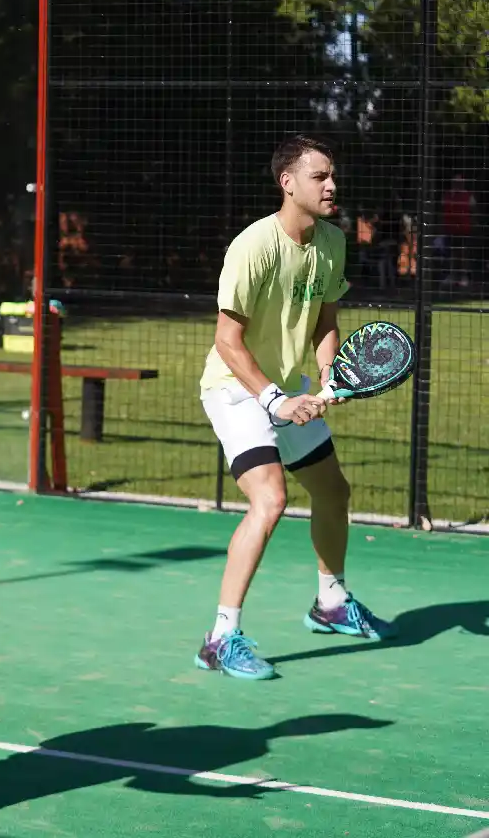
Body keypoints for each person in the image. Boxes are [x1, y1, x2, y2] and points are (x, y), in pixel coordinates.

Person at [195, 135, 397, 682]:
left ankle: (330, 603)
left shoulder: (332, 241)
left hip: (288, 386)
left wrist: (332, 374)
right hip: (237, 389)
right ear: (288, 183)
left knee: (333, 491)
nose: (332, 186)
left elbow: (325, 321)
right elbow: (228, 342)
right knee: (270, 497)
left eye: (333, 176)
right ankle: (220, 637)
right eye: (320, 177)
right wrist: (274, 400)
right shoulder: (252, 247)